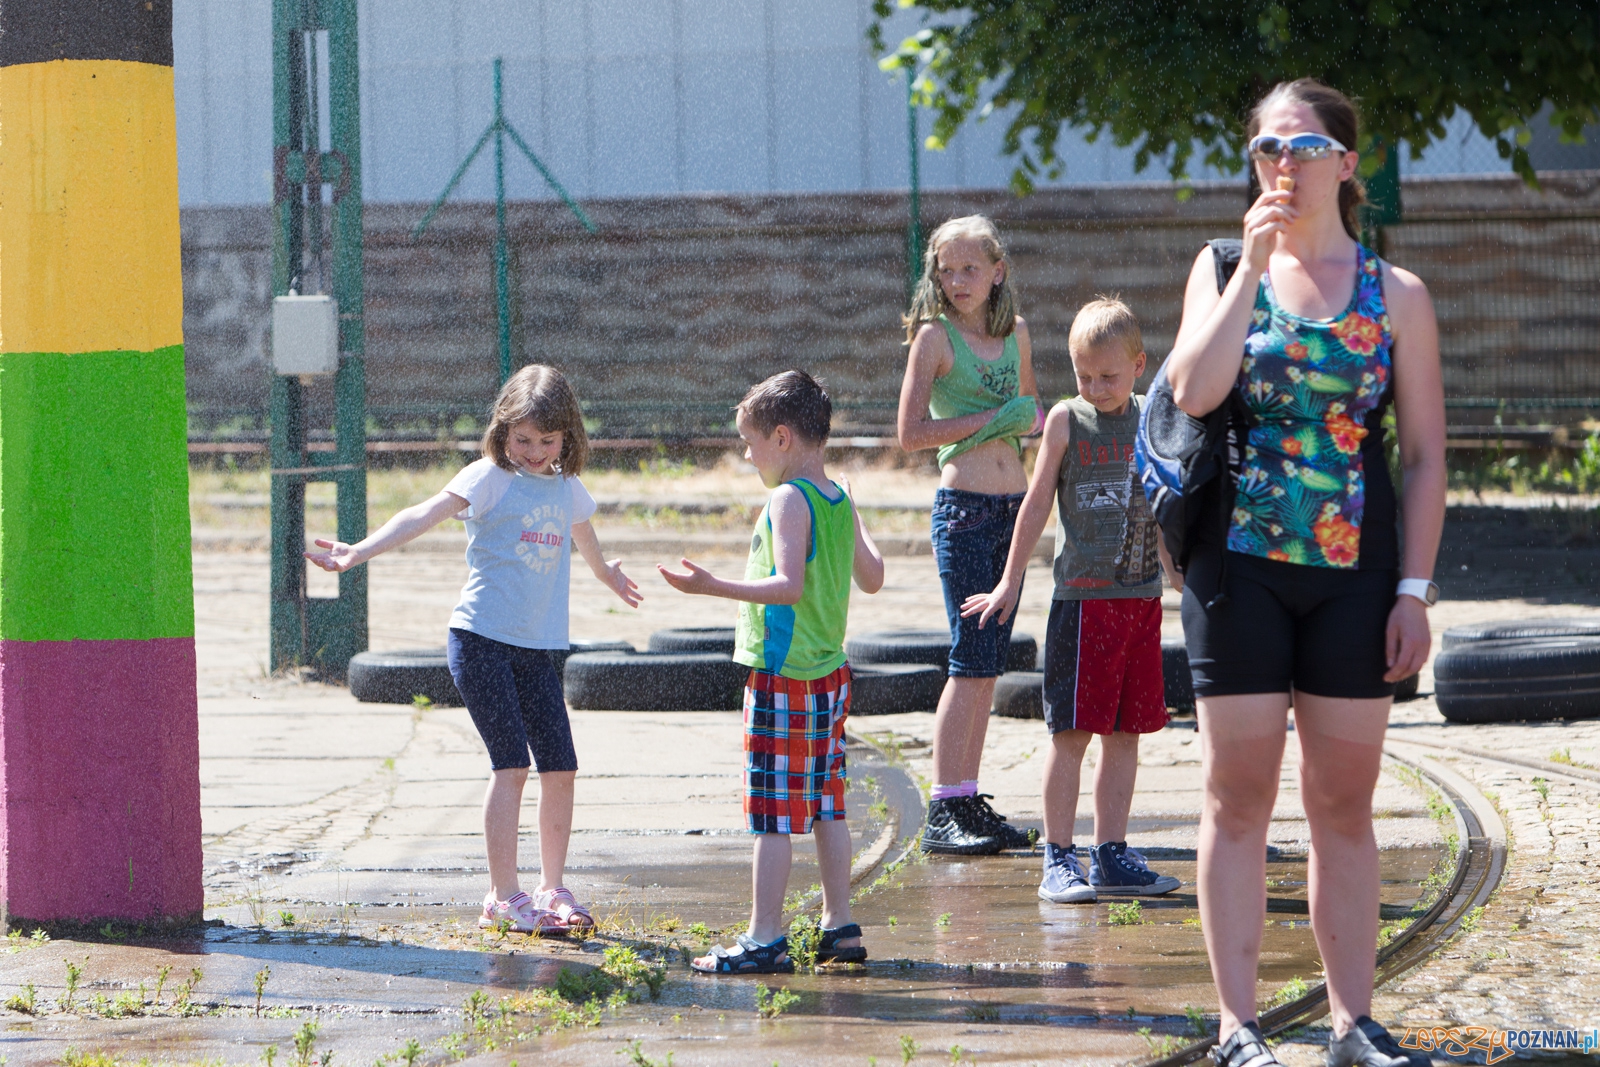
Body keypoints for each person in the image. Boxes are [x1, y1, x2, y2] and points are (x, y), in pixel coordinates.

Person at [1162, 80, 1444, 1067]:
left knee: (1342, 803)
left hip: (1356, 577)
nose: (1283, 163)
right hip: (1234, 570)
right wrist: (1251, 268)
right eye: (1267, 148)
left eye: (1304, 146)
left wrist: (1414, 591)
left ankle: (1351, 1023)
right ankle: (1237, 1027)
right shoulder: (1220, 266)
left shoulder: (1396, 293)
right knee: (1237, 796)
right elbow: (1193, 391)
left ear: (1347, 162)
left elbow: (1425, 458)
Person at [306, 365, 642, 936]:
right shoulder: (489, 478)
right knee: (511, 765)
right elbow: (423, 513)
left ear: (568, 436)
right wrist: (358, 551)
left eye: (547, 440)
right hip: (480, 641)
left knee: (561, 768)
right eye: (523, 439)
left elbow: (582, 532)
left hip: (537, 649)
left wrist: (605, 572)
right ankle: (502, 897)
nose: (534, 452)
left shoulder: (566, 488)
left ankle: (552, 889)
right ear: (503, 430)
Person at [660, 371, 885, 974]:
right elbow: (874, 577)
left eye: (750, 442)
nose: (746, 455)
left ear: (782, 438)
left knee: (772, 814)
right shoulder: (837, 497)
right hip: (830, 676)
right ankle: (839, 926)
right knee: (827, 805)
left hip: (783, 678)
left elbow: (786, 586)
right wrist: (853, 517)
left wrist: (712, 585)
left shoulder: (787, 499)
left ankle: (764, 938)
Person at [962, 297, 1183, 904]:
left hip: (1140, 602)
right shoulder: (1066, 420)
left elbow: (1162, 501)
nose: (1096, 388)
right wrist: (1010, 580)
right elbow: (1035, 504)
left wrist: (1174, 570)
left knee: (1127, 734)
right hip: (1084, 607)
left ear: (1139, 365)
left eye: (1108, 376)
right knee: (1072, 734)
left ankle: (1110, 854)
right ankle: (1058, 857)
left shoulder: (1152, 419)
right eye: (1084, 375)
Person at [896, 214, 1042, 855]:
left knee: (989, 666)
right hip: (965, 512)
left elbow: (1032, 415)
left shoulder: (1017, 334)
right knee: (968, 659)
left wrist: (1028, 419)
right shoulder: (934, 338)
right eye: (947, 270)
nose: (958, 281)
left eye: (970, 269)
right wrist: (990, 419)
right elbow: (910, 434)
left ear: (997, 271)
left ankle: (967, 798)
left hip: (1015, 511)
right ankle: (943, 809)